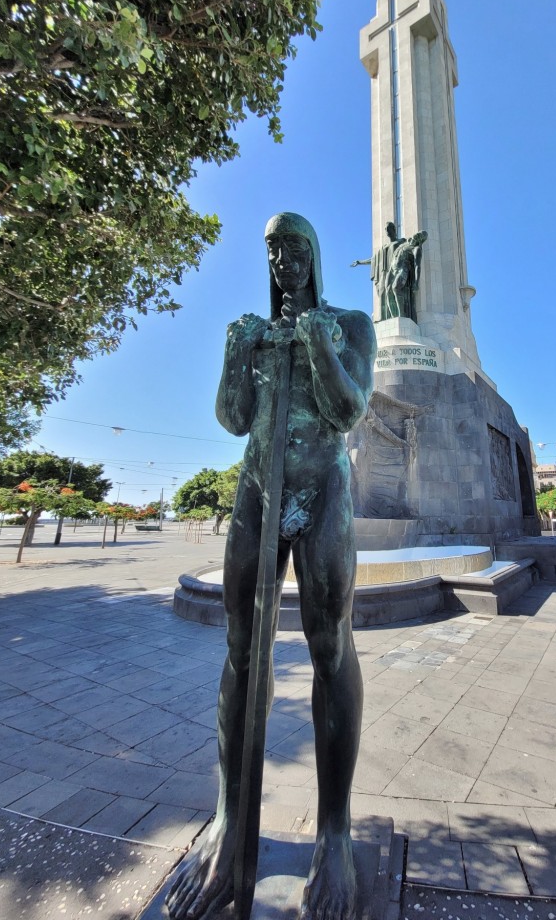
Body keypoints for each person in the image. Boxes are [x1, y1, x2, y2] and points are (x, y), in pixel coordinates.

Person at [166, 212, 376, 920]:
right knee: (240, 648)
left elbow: (348, 410)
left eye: (295, 248)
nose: (284, 260)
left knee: (329, 644)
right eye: (273, 251)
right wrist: (236, 355)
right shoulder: (253, 331)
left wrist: (318, 343)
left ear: (315, 254)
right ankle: (231, 820)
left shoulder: (349, 322)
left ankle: (336, 835)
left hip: (322, 493)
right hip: (258, 489)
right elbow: (232, 417)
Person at [351, 221, 427, 322]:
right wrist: (360, 262)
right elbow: (375, 259)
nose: (387, 231)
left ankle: (400, 315)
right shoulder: (388, 247)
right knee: (385, 292)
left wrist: (415, 282)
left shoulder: (404, 243)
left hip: (400, 270)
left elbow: (416, 263)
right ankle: (388, 317)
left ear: (394, 230)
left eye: (389, 229)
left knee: (395, 289)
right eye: (386, 229)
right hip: (388, 272)